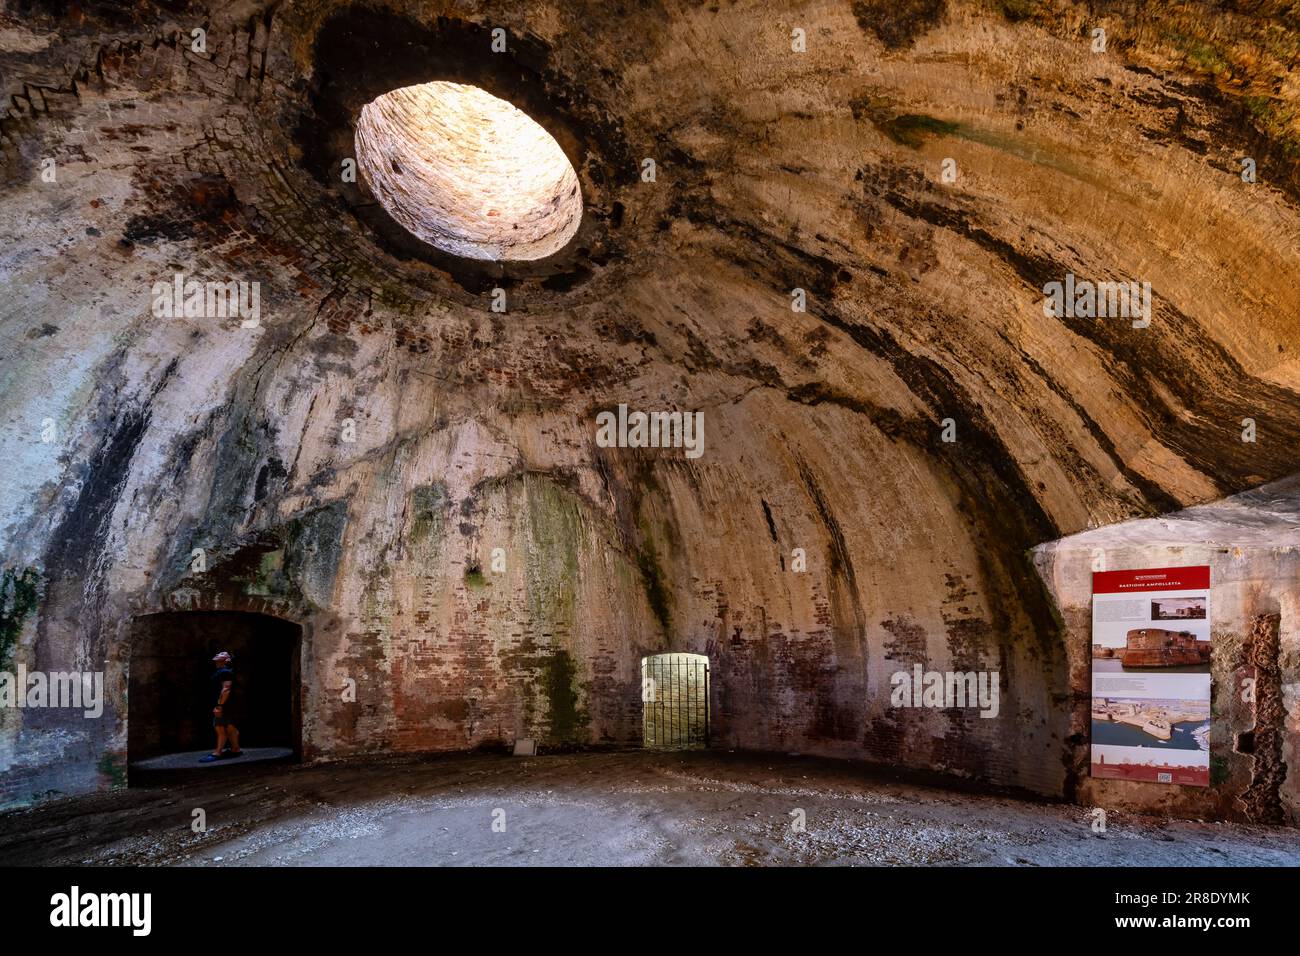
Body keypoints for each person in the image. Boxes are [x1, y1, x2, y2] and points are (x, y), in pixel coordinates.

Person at [199, 651, 243, 762]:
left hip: (224, 704)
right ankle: (235, 749)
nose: (218, 653)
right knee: (229, 726)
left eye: (222, 653)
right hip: (225, 704)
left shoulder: (225, 672)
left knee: (220, 727)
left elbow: (226, 689)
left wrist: (219, 705)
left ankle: (217, 753)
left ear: (226, 659)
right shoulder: (222, 671)